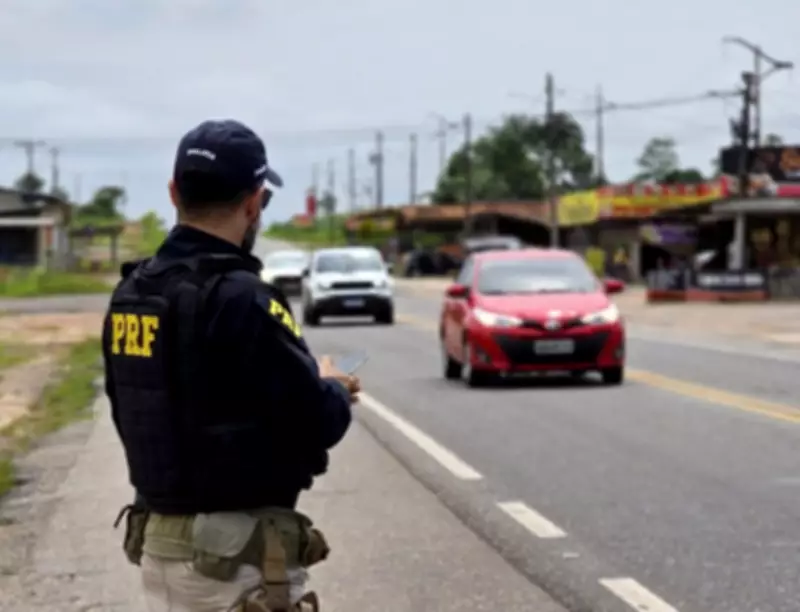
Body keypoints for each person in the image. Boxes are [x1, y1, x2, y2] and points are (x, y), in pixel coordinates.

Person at [103, 119, 357, 611]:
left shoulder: (132, 294)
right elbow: (315, 419)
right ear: (254, 202)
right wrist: (335, 388)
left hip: (161, 553)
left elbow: (131, 409)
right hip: (234, 569)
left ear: (175, 192)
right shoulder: (244, 299)